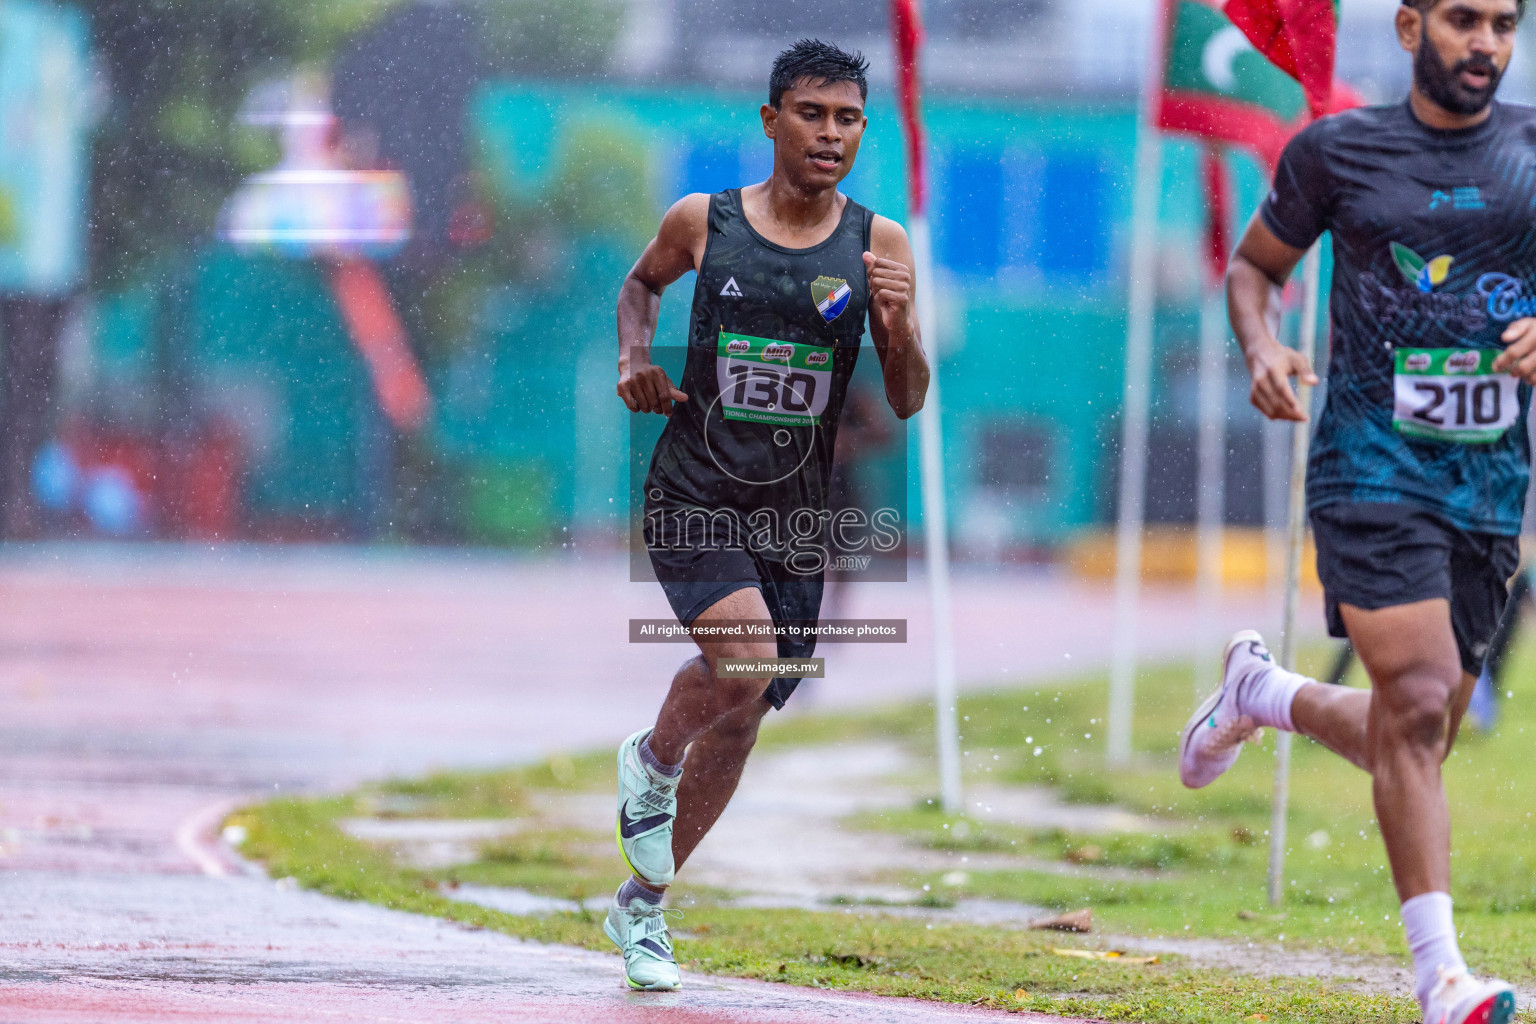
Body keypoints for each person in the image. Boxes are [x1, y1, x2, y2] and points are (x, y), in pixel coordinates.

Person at [1179, 3, 1533, 1023]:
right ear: (1410, 26)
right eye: (1464, 20)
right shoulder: (1337, 150)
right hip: (1368, 465)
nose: (1487, 43)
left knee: (1420, 728)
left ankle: (1260, 692)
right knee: (1419, 702)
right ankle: (1443, 979)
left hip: (1489, 484)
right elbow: (1255, 268)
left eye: (1505, 24)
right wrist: (1262, 345)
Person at [607, 39, 929, 991]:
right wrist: (634, 358)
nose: (831, 135)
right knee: (741, 662)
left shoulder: (879, 245)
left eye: (849, 119)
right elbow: (639, 286)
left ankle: (643, 913)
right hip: (696, 491)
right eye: (813, 115)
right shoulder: (704, 222)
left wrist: (899, 325)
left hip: (797, 518)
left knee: (744, 716)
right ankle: (654, 759)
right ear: (772, 120)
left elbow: (907, 398)